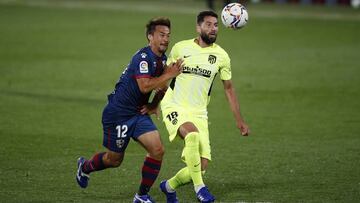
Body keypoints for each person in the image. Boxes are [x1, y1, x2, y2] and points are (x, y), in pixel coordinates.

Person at [75, 17, 183, 203]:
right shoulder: (143, 57)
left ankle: (141, 196)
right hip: (118, 114)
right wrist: (169, 74)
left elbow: (163, 86)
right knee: (114, 160)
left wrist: (153, 105)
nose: (165, 39)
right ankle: (84, 167)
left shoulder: (161, 59)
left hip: (137, 113)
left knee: (157, 149)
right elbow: (144, 86)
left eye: (168, 35)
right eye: (161, 35)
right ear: (150, 37)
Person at [159, 11, 250, 203]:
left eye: (216, 25)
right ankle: (200, 188)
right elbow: (165, 77)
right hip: (174, 105)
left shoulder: (221, 56)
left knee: (201, 165)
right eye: (208, 25)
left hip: (199, 111)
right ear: (198, 27)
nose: (213, 28)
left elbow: (229, 88)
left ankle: (168, 186)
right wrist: (154, 103)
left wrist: (239, 120)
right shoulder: (180, 48)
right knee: (191, 136)